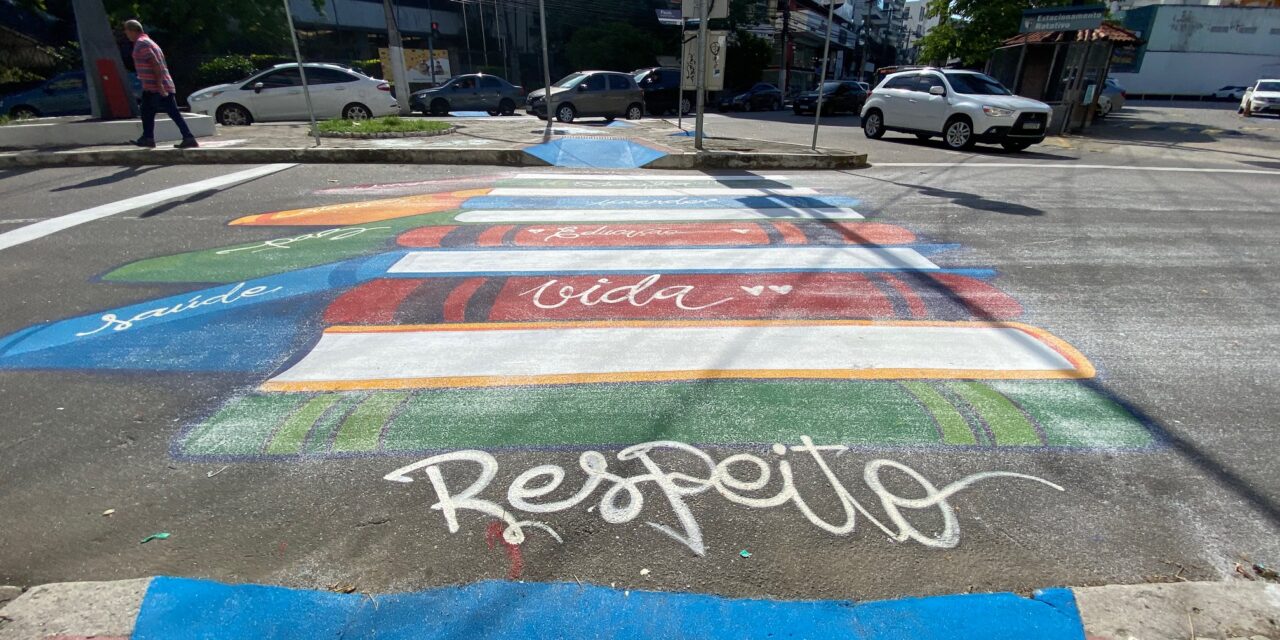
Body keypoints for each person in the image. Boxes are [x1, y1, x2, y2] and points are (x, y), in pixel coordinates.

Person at [123, 20, 198, 149]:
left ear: (132, 30)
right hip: (155, 86)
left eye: (126, 31)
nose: (126, 34)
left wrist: (159, 85)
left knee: (155, 111)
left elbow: (155, 64)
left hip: (156, 86)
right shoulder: (149, 42)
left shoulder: (142, 44)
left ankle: (151, 138)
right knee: (149, 111)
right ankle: (150, 137)